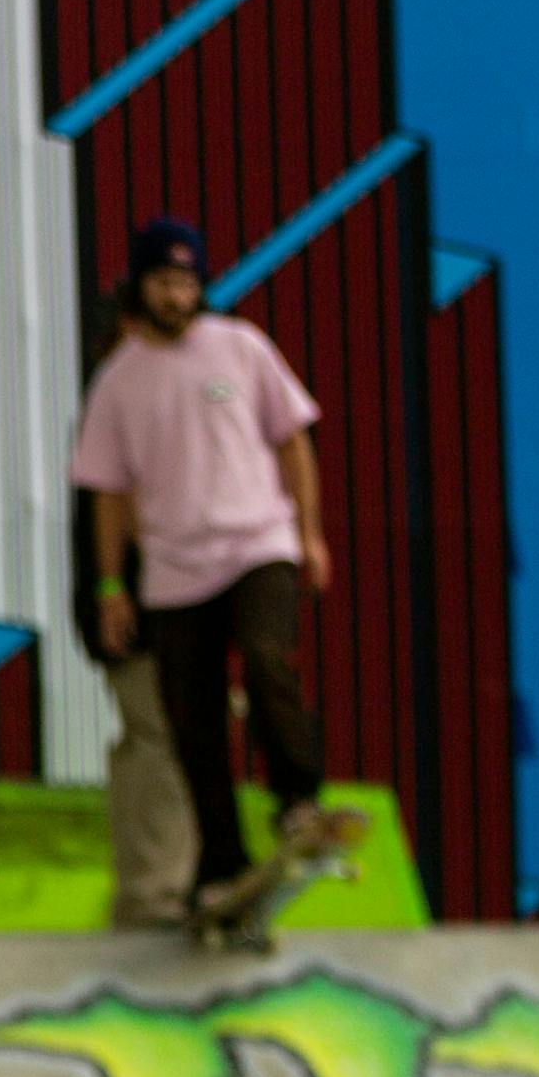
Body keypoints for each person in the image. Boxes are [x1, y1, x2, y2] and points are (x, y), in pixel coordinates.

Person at [69, 219, 351, 921]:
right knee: (191, 725)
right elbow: (107, 497)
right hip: (170, 574)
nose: (176, 295)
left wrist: (310, 534)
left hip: (258, 544)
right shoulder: (117, 383)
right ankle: (219, 861)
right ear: (139, 290)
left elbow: (293, 440)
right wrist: (110, 586)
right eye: (163, 283)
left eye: (187, 282)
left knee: (264, 659)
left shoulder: (241, 347)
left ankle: (297, 799)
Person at [70, 287, 196, 930]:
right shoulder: (116, 406)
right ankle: (152, 893)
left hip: (163, 602)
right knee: (161, 734)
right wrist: (111, 595)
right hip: (137, 605)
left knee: (160, 738)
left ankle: (165, 881)